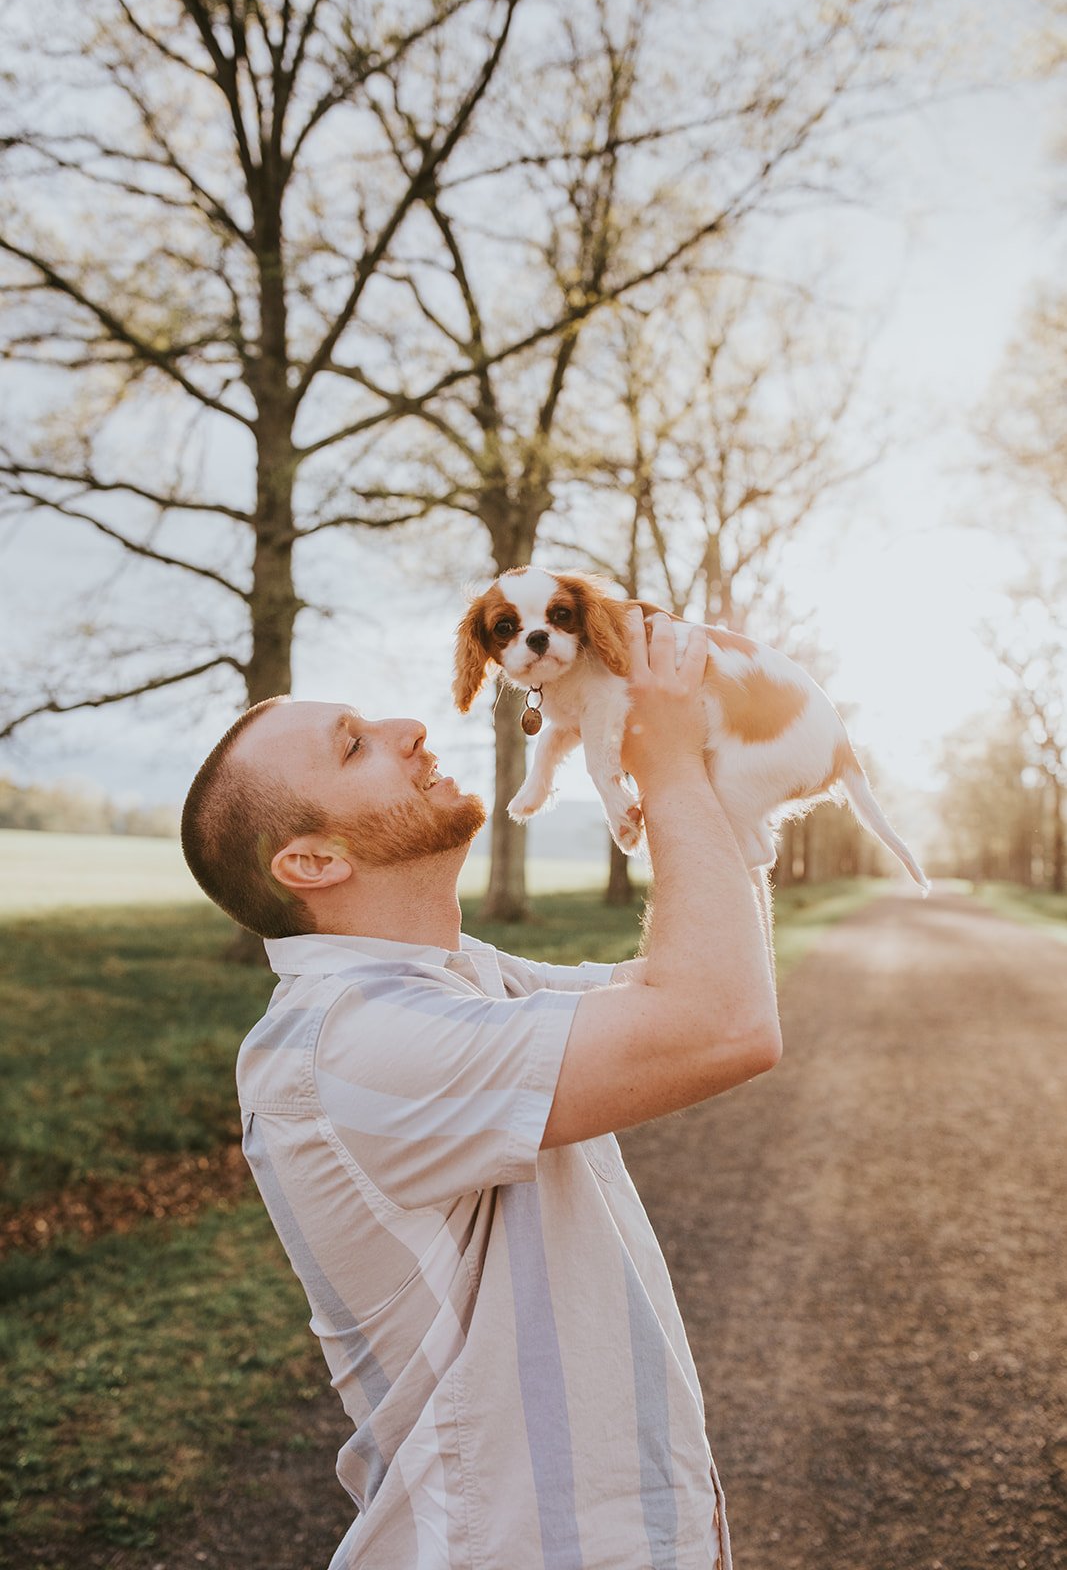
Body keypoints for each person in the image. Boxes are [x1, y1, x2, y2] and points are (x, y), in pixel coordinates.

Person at [180, 611, 782, 1570]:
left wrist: (704, 752)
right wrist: (662, 766)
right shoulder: (354, 1041)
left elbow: (691, 978)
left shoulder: (452, 979)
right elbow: (721, 1021)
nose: (409, 728)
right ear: (313, 861)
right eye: (354, 744)